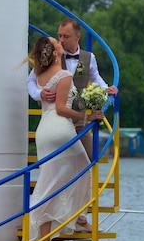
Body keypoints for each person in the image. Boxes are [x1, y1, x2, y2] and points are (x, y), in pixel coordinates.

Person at [27, 36, 104, 241]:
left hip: (43, 130)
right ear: (54, 53)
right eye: (56, 42)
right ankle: (74, 217)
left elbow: (45, 102)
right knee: (83, 169)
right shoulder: (63, 75)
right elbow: (61, 109)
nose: (61, 43)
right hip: (60, 129)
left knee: (49, 182)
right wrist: (87, 116)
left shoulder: (40, 75)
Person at [27, 18, 118, 158]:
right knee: (60, 159)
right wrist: (39, 94)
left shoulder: (88, 57)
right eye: (60, 36)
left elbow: (95, 77)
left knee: (90, 156)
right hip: (58, 118)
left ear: (78, 36)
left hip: (79, 118)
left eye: (66, 36)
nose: (62, 40)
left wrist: (106, 88)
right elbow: (31, 80)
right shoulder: (52, 55)